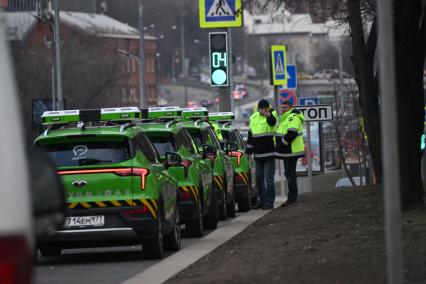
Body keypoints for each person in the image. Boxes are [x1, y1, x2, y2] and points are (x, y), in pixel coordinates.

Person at [246, 99, 277, 210]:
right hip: (258, 154)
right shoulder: (253, 117)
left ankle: (270, 202)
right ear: (259, 108)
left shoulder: (272, 115)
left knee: (269, 179)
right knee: (259, 179)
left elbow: (272, 123)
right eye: (262, 108)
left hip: (269, 153)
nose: (264, 110)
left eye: (265, 108)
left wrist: (268, 115)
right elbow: (250, 136)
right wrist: (249, 152)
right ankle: (262, 201)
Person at [275, 100, 305, 207]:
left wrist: (283, 143)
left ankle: (292, 197)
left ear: (290, 107)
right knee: (289, 174)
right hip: (287, 151)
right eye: (282, 107)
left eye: (285, 107)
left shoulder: (293, 116)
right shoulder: (285, 117)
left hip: (291, 150)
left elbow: (292, 133)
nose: (283, 109)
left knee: (290, 174)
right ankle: (292, 196)